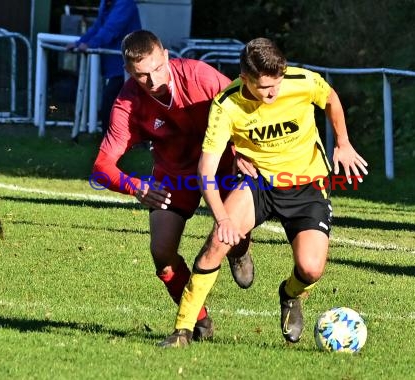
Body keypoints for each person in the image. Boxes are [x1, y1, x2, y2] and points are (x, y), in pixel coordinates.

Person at [159, 37, 369, 347]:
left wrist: (343, 142)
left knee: (310, 269)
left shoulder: (301, 81)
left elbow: (330, 98)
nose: (274, 92)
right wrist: (222, 219)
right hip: (258, 183)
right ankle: (182, 331)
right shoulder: (226, 105)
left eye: (278, 84)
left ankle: (290, 295)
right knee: (216, 244)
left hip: (307, 185)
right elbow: (205, 171)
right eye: (265, 88)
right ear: (245, 79)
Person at [91, 30, 254, 341]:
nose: (153, 81)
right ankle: (199, 319)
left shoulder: (200, 75)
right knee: (162, 252)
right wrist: (133, 185)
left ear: (166, 55)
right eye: (141, 75)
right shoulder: (128, 103)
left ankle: (240, 250)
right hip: (174, 175)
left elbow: (245, 105)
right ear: (129, 72)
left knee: (234, 234)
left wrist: (246, 149)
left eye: (157, 68)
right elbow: (101, 167)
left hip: (222, 165)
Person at [67, 0, 142, 135]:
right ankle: (114, 138)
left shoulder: (124, 3)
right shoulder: (107, 3)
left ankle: (111, 138)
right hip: (117, 63)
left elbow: (111, 28)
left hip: (128, 63)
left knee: (113, 100)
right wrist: (80, 42)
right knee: (115, 100)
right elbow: (98, 27)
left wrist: (90, 44)